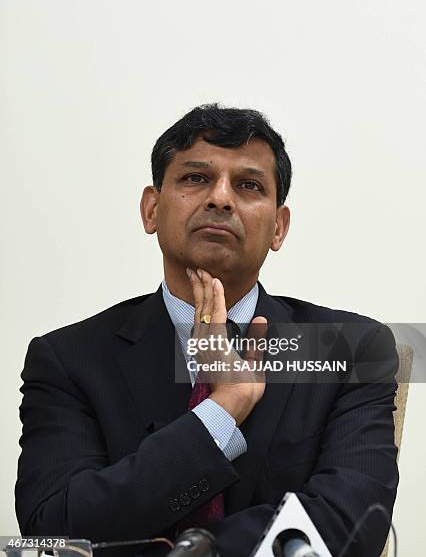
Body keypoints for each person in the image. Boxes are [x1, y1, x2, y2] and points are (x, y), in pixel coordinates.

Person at [15, 104, 398, 557]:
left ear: (279, 227)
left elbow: (350, 527)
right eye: (195, 178)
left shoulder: (349, 350)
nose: (220, 198)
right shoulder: (68, 359)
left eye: (249, 185)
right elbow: (55, 531)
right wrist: (222, 410)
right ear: (151, 209)